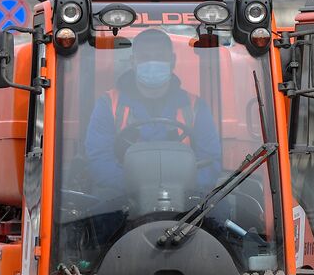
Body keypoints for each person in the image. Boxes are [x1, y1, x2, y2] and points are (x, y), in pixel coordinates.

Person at [84, 28, 220, 190]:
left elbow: (210, 160)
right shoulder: (108, 104)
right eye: (145, 58)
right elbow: (99, 160)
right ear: (133, 62)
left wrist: (179, 189)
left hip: (186, 201)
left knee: (221, 211)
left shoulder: (195, 107)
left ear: (173, 61)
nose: (152, 63)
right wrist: (138, 189)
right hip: (123, 199)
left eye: (160, 57)